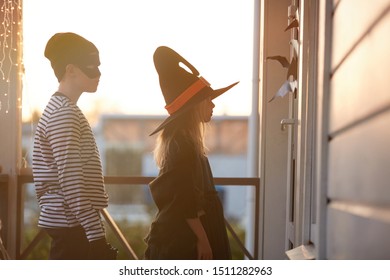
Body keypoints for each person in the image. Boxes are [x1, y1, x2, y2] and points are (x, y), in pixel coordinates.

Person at [144, 46, 239, 260]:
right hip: (185, 240)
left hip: (190, 232)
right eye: (207, 99)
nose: (213, 103)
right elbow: (184, 199)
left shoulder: (184, 142)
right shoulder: (182, 145)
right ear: (195, 105)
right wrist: (203, 241)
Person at [32, 32, 116, 259]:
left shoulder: (59, 109)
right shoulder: (64, 114)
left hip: (67, 222)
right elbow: (71, 180)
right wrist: (96, 236)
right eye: (91, 66)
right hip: (73, 227)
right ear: (70, 70)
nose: (99, 74)